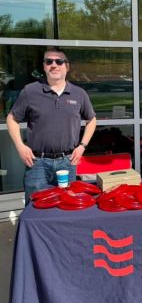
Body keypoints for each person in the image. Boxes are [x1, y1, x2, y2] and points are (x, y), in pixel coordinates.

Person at [6, 47, 96, 204]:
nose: (54, 65)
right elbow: (12, 119)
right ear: (44, 66)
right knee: (35, 208)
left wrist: (82, 146)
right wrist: (20, 146)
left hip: (67, 161)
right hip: (37, 163)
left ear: (66, 67)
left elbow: (92, 120)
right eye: (49, 61)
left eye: (59, 61)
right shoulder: (30, 91)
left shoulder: (79, 93)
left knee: (68, 206)